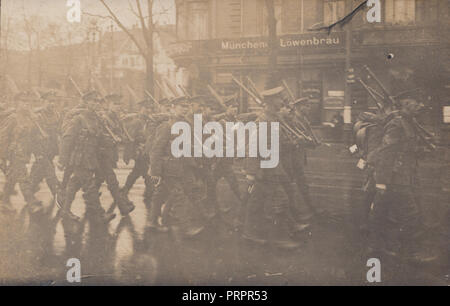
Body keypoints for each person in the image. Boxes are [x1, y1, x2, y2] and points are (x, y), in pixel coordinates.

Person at [242, 85, 302, 250]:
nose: (281, 101)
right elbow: (253, 147)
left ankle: (250, 233)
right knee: (279, 200)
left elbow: (278, 143)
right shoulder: (263, 121)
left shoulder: (273, 119)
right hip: (266, 168)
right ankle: (280, 238)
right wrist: (251, 173)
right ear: (269, 101)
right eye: (278, 98)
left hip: (273, 166)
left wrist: (292, 143)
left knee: (257, 202)